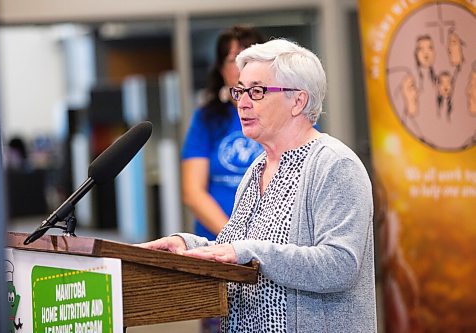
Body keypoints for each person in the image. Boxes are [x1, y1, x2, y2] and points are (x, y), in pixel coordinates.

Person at [139, 39, 377, 332]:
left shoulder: (335, 165)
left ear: (298, 101)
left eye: (257, 91)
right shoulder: (256, 169)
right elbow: (240, 250)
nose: (243, 102)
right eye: (239, 91)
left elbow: (340, 265)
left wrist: (249, 251)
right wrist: (190, 246)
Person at [181, 26, 266, 242]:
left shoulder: (285, 113)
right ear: (221, 69)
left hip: (273, 243)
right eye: (234, 58)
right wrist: (235, 240)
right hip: (217, 241)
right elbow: (193, 192)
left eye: (250, 58)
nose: (242, 66)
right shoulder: (206, 118)